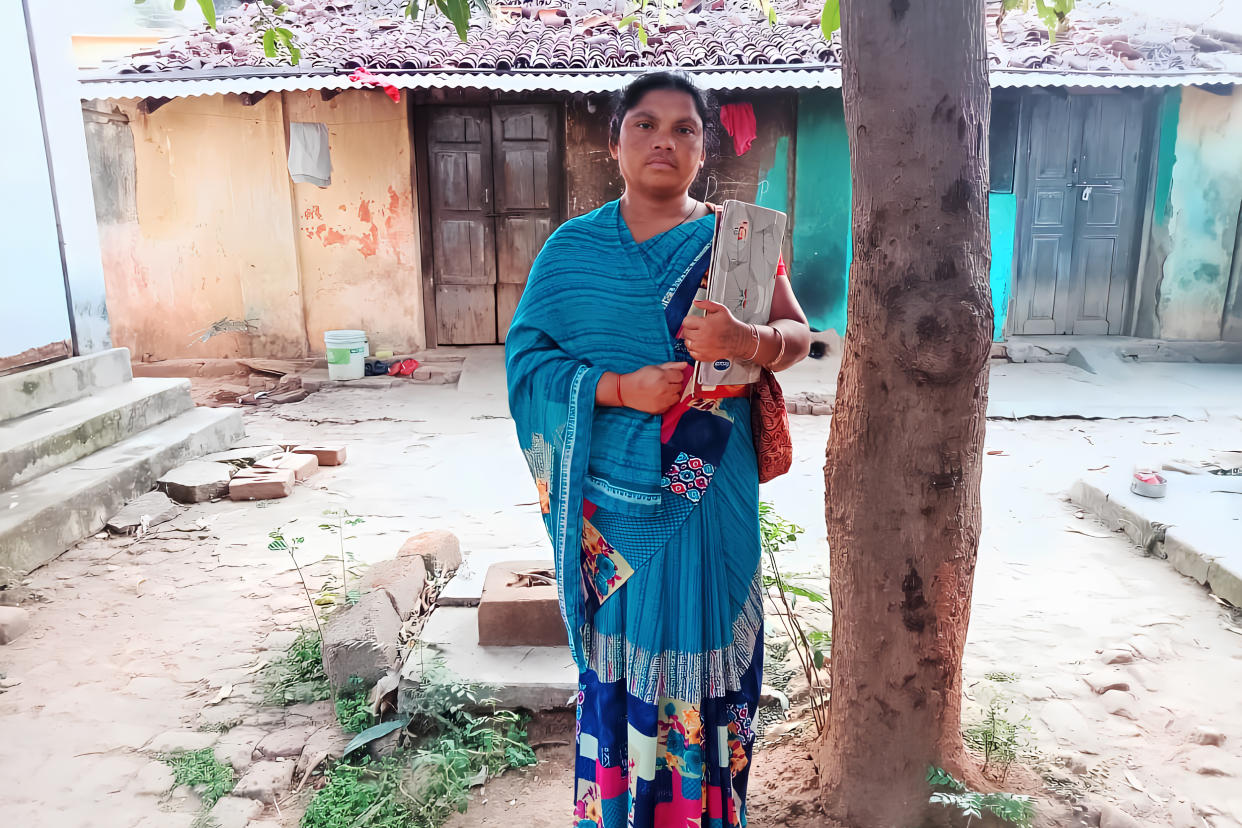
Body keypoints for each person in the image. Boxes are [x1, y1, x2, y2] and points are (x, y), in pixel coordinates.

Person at [505, 70, 811, 827]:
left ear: (704, 148)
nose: (664, 141)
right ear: (615, 144)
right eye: (644, 125)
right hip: (618, 512)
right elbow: (527, 364)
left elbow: (801, 336)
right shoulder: (571, 254)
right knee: (625, 655)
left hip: (715, 493)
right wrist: (617, 388)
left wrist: (747, 340)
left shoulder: (738, 242)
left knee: (711, 648)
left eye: (684, 128)